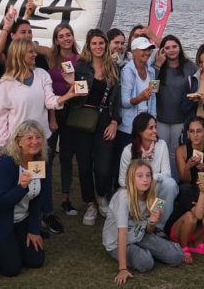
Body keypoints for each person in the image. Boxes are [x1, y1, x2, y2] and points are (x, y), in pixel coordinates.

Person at [0, 39, 81, 235]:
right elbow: (0, 117)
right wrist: (3, 144)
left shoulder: (42, 75)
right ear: (18, 54)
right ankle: (21, 220)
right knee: (21, 181)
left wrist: (68, 95)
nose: (35, 55)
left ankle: (44, 215)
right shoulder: (5, 83)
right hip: (17, 145)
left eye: (34, 52)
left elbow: (50, 101)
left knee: (41, 178)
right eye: (30, 52)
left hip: (38, 142)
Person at [0, 120, 48, 277]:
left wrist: (34, 229)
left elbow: (38, 198)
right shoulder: (6, 162)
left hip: (21, 219)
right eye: (29, 138)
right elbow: (2, 202)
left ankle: (13, 243)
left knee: (36, 260)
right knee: (12, 269)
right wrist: (21, 187)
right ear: (18, 141)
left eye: (38, 137)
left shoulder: (40, 162)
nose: (35, 142)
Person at [69, 29, 123, 225]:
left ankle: (101, 195)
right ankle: (91, 203)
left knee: (103, 167)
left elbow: (117, 99)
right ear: (89, 46)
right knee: (84, 165)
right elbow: (72, 96)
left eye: (102, 43)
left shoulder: (114, 69)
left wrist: (115, 121)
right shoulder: (81, 68)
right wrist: (71, 85)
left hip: (105, 121)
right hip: (82, 119)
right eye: (94, 44)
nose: (98, 47)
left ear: (106, 45)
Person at [104, 161, 185, 284]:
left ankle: (152, 251)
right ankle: (146, 254)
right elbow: (122, 234)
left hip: (139, 236)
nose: (145, 179)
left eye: (148, 175)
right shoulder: (123, 197)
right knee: (145, 263)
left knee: (177, 257)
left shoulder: (151, 196)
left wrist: (152, 222)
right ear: (131, 178)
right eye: (140, 176)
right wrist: (122, 269)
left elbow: (147, 230)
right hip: (118, 242)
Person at [118, 113, 178, 231]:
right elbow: (121, 180)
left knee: (170, 184)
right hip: (137, 191)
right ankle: (138, 223)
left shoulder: (161, 145)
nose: (155, 130)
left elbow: (167, 173)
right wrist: (139, 184)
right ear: (140, 131)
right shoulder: (128, 151)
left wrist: (154, 178)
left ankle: (159, 226)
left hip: (156, 189)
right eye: (151, 128)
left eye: (155, 127)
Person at [45, 24, 81, 216]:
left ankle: (66, 200)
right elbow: (47, 88)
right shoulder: (50, 58)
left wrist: (72, 82)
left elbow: (82, 88)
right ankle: (45, 199)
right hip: (52, 110)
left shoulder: (81, 59)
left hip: (72, 111)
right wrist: (52, 116)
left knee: (67, 156)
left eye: (69, 35)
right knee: (48, 156)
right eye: (61, 36)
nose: (66, 38)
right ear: (56, 40)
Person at [154, 35, 197, 179]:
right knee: (160, 153)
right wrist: (158, 66)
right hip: (161, 118)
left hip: (181, 120)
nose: (171, 50)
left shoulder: (189, 67)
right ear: (162, 50)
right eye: (167, 47)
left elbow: (198, 86)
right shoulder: (159, 67)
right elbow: (151, 88)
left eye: (174, 46)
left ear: (179, 47)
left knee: (175, 154)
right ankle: (160, 183)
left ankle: (176, 184)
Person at [168, 165, 204, 262]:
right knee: (191, 217)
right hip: (177, 232)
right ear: (201, 181)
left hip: (193, 232)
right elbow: (198, 215)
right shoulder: (189, 191)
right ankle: (184, 248)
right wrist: (202, 194)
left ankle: (195, 245)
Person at [119, 37, 157, 153]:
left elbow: (153, 98)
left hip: (146, 126)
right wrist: (141, 98)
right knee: (129, 161)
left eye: (149, 49)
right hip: (130, 126)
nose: (147, 53)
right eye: (143, 49)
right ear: (134, 52)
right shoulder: (127, 71)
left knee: (145, 160)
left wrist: (154, 122)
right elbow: (124, 102)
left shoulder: (151, 71)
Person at [174, 118, 204, 188]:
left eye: (199, 131)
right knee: (185, 188)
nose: (195, 135)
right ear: (188, 134)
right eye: (191, 131)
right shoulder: (181, 151)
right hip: (188, 188)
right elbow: (185, 181)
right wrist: (187, 167)